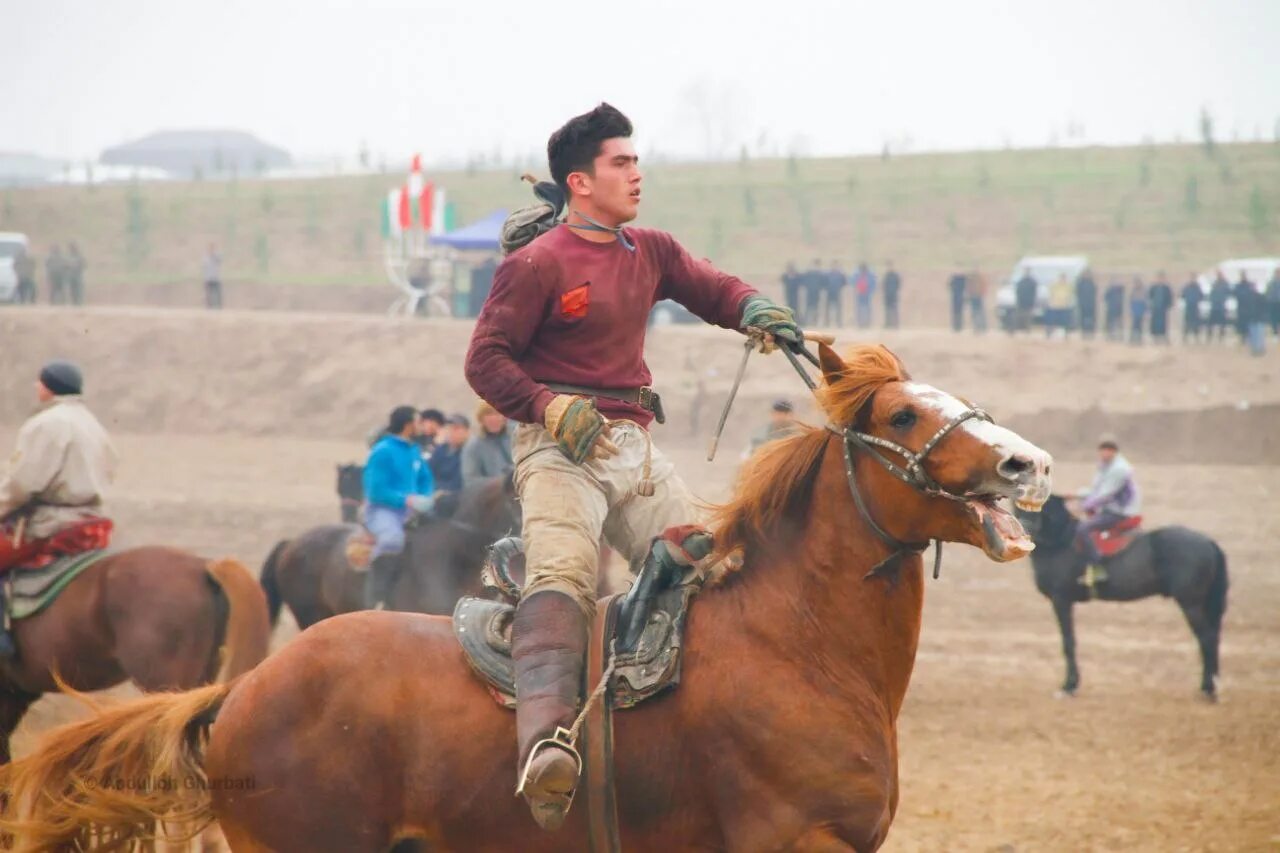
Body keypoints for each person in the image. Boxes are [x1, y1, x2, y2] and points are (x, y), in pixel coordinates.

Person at [464, 103, 799, 830]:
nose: (636, 173)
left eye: (636, 161)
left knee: (711, 562)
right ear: (580, 182)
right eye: (622, 163)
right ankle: (547, 744)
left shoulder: (649, 249)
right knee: (563, 577)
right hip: (557, 450)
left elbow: (709, 284)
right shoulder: (537, 264)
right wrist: (551, 409)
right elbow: (484, 362)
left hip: (631, 445)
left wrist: (754, 307)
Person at [0, 361, 118, 656]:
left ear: (49, 386)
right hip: (92, 520)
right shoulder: (93, 424)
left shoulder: (45, 423)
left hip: (52, 522)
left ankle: (2, 640)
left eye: (39, 382)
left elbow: (22, 484)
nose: (35, 387)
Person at [361, 406, 435, 610]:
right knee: (393, 540)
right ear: (408, 425)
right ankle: (376, 596)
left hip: (412, 511)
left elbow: (425, 479)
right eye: (419, 421)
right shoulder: (382, 451)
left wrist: (426, 497)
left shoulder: (413, 450)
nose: (422, 426)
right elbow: (376, 490)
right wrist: (406, 500)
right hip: (382, 511)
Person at [1068, 434, 1141, 585]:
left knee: (1083, 528)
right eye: (1102, 450)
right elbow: (1096, 490)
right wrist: (1076, 495)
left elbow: (1105, 494)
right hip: (1107, 508)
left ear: (1114, 452)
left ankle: (1097, 567)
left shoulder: (1119, 469)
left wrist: (1082, 507)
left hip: (1119, 511)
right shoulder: (1104, 466)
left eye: (1108, 450)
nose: (1104, 453)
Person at [462, 401, 514, 484]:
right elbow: (470, 480)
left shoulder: (516, 437)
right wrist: (501, 483)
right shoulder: (474, 446)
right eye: (489, 414)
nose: (494, 418)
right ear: (481, 419)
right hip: (493, 494)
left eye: (497, 413)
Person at [428, 414, 469, 493]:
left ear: (466, 432)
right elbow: (427, 473)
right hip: (433, 493)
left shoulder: (468, 453)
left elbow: (457, 484)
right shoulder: (441, 449)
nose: (451, 432)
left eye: (456, 428)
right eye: (449, 428)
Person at [1238, 277, 1266, 356]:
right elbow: (1246, 308)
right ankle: (1254, 350)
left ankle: (1259, 349)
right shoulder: (1248, 297)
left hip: (1258, 318)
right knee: (1253, 335)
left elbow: (1263, 308)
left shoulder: (1260, 296)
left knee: (1259, 335)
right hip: (1252, 319)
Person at [1147, 271, 1174, 344]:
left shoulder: (1166, 288)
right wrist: (1150, 306)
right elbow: (1149, 297)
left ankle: (1164, 338)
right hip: (1155, 309)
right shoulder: (1153, 287)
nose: (1160, 279)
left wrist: (1169, 306)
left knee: (1163, 324)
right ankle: (1155, 338)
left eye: (1162, 278)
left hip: (1163, 309)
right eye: (1159, 278)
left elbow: (1170, 298)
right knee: (1154, 324)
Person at [1047, 273, 1074, 338]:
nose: (1063, 280)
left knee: (1065, 322)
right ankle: (1049, 333)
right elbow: (1051, 294)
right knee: (1052, 321)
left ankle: (1066, 334)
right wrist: (1051, 302)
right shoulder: (1054, 285)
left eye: (1064, 278)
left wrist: (1068, 302)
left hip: (1064, 306)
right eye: (1062, 278)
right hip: (1055, 306)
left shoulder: (1068, 286)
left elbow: (1070, 295)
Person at [1180, 273, 1204, 343]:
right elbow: (1182, 295)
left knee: (1196, 323)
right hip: (1188, 307)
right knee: (1187, 323)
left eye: (1194, 278)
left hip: (1195, 307)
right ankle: (1185, 337)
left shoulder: (1198, 287)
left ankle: (1196, 338)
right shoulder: (1186, 287)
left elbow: (1201, 296)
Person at [1207, 270, 1230, 342]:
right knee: (1211, 323)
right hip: (1214, 306)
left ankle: (1221, 337)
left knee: (1222, 323)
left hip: (1221, 306)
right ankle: (1209, 336)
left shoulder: (1225, 284)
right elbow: (1211, 294)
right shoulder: (1215, 284)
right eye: (1218, 275)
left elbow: (1228, 293)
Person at [1232, 272, 1254, 345]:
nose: (1243, 277)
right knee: (1241, 322)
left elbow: (1252, 294)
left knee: (1248, 322)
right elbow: (1234, 294)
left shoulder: (1249, 285)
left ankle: (1248, 335)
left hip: (1248, 307)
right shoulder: (1238, 285)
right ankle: (1242, 337)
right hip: (1241, 307)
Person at [1076, 268, 1098, 338]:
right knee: (1083, 319)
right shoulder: (1080, 283)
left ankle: (1091, 332)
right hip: (1083, 304)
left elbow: (1094, 293)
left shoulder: (1092, 283)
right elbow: (1078, 293)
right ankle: (1084, 333)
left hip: (1091, 304)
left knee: (1092, 319)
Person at [823, 261, 846, 328]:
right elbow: (824, 283)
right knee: (827, 309)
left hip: (837, 293)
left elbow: (844, 283)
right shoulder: (827, 274)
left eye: (836, 266)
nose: (835, 267)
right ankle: (827, 322)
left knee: (838, 309)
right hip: (829, 293)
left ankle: (839, 323)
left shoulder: (840, 275)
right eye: (834, 265)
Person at [852, 262, 876, 328]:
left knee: (867, 308)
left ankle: (867, 323)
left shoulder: (870, 275)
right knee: (860, 308)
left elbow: (873, 284)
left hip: (866, 293)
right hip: (860, 293)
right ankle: (860, 323)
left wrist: (870, 291)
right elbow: (853, 282)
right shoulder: (857, 275)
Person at [1014, 268, 1037, 333]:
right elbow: (1017, 292)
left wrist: (1032, 301)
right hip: (1021, 302)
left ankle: (1027, 330)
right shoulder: (1021, 282)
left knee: (1028, 317)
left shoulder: (1032, 282)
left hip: (1029, 302)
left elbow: (1034, 292)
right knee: (1020, 316)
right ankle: (1019, 329)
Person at [965, 269, 988, 333]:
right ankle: (977, 327)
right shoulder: (971, 279)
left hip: (978, 297)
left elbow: (984, 287)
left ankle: (982, 327)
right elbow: (968, 288)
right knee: (975, 313)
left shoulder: (980, 278)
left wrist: (982, 294)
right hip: (974, 297)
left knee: (980, 312)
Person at [1128, 278, 1148, 345]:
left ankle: (1139, 340)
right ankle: (1132, 340)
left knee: (1140, 327)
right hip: (1135, 311)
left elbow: (1145, 303)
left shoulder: (1143, 292)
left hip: (1141, 311)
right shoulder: (1133, 291)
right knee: (1134, 326)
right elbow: (1131, 302)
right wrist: (1131, 311)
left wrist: (1145, 312)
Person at [882, 260, 901, 329]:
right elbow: (883, 285)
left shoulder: (895, 276)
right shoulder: (886, 276)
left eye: (890, 266)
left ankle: (896, 324)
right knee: (887, 310)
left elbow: (898, 285)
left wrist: (894, 291)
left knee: (894, 310)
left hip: (894, 295)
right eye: (888, 266)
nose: (889, 268)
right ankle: (888, 324)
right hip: (887, 296)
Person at [803, 259, 822, 327]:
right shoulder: (809, 273)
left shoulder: (819, 274)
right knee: (808, 308)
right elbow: (804, 281)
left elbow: (823, 283)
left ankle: (815, 322)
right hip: (810, 294)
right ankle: (806, 322)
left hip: (816, 294)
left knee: (816, 309)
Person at [203, 244, 223, 309]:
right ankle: (209, 307)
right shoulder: (206, 257)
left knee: (218, 294)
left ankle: (219, 307)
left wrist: (214, 255)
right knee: (208, 294)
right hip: (208, 278)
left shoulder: (216, 256)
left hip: (215, 278)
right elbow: (204, 267)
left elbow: (220, 260)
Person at [1266, 267, 1280, 337]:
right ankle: (1275, 332)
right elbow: (1268, 293)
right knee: (1274, 318)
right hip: (1273, 303)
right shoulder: (1271, 283)